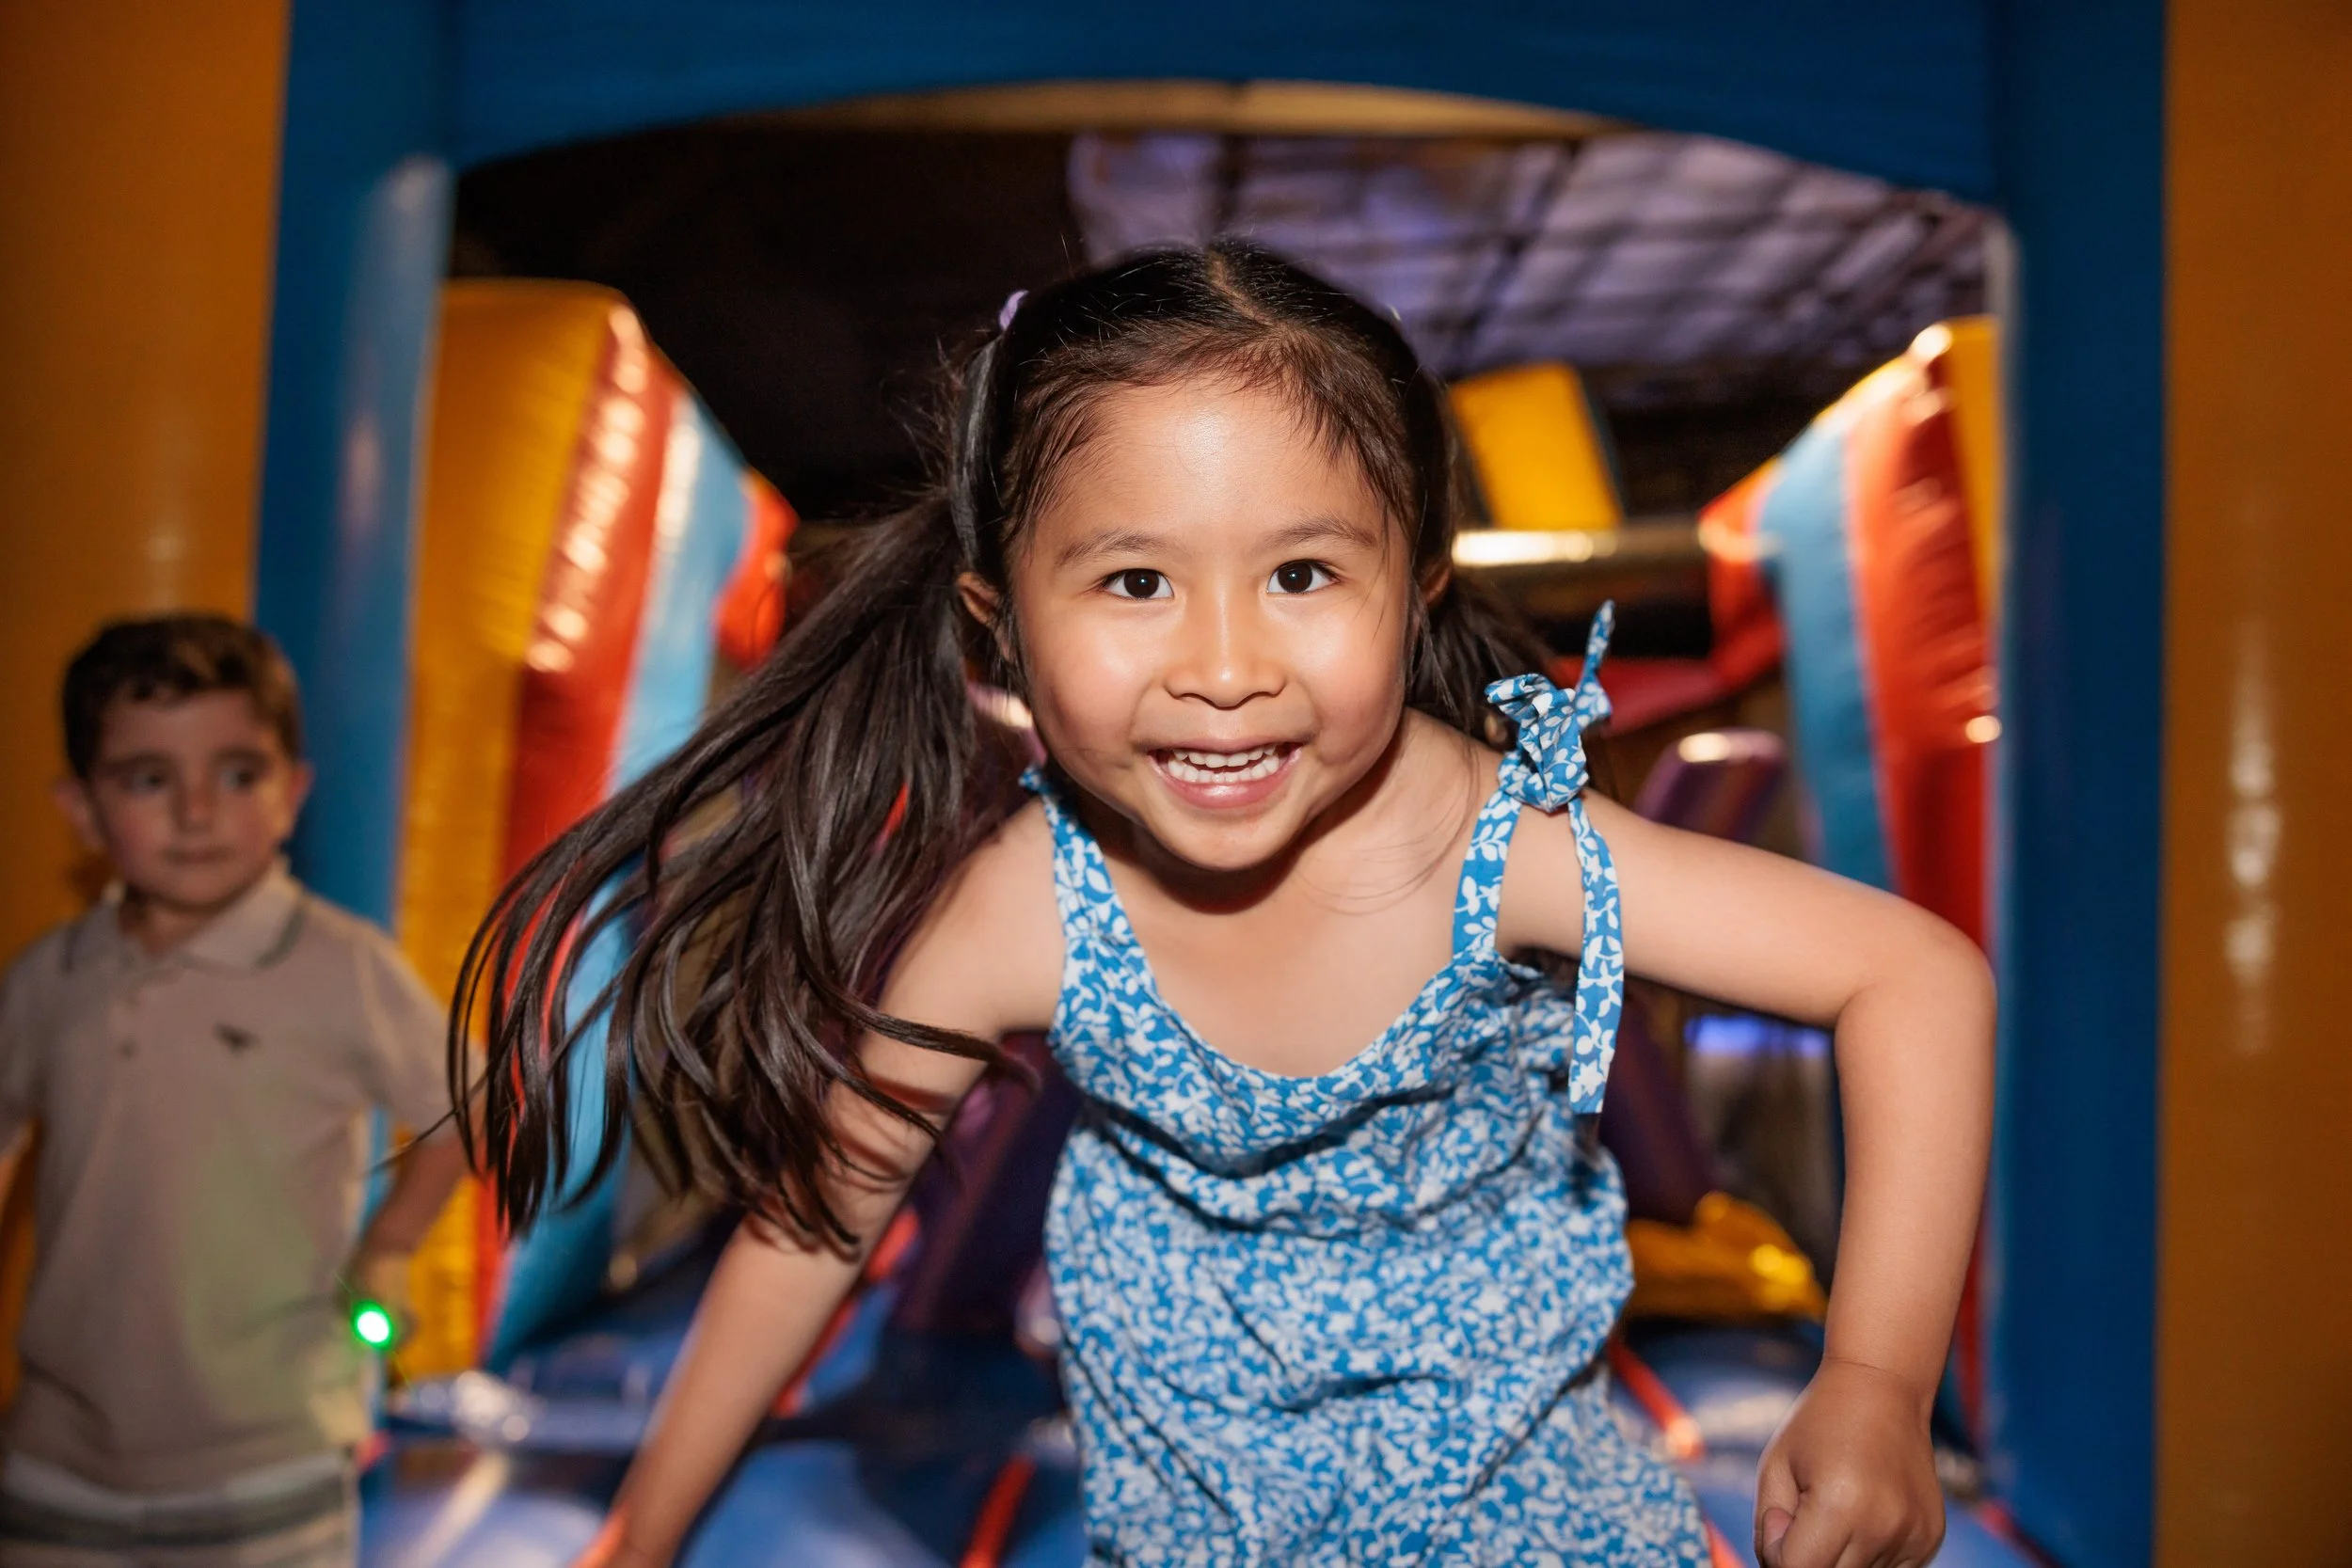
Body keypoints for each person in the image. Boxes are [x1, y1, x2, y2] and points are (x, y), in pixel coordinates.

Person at [465, 244, 1993, 1568]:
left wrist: (1872, 1373)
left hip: (1531, 1524)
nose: (1224, 662)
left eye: (1305, 574)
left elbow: (1912, 977)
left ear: (1416, 587)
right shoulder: (1027, 913)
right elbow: (812, 1225)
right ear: (1000, 625)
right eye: (1135, 583)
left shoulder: (1488, 842)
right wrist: (644, 1530)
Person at [0, 616, 469, 1566]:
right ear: (83, 812)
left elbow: (470, 1106)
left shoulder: (339, 965)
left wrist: (386, 1250)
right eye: (148, 778)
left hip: (268, 1457)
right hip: (56, 1456)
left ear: (291, 794)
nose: (199, 810)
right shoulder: (50, 976)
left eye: (238, 773)